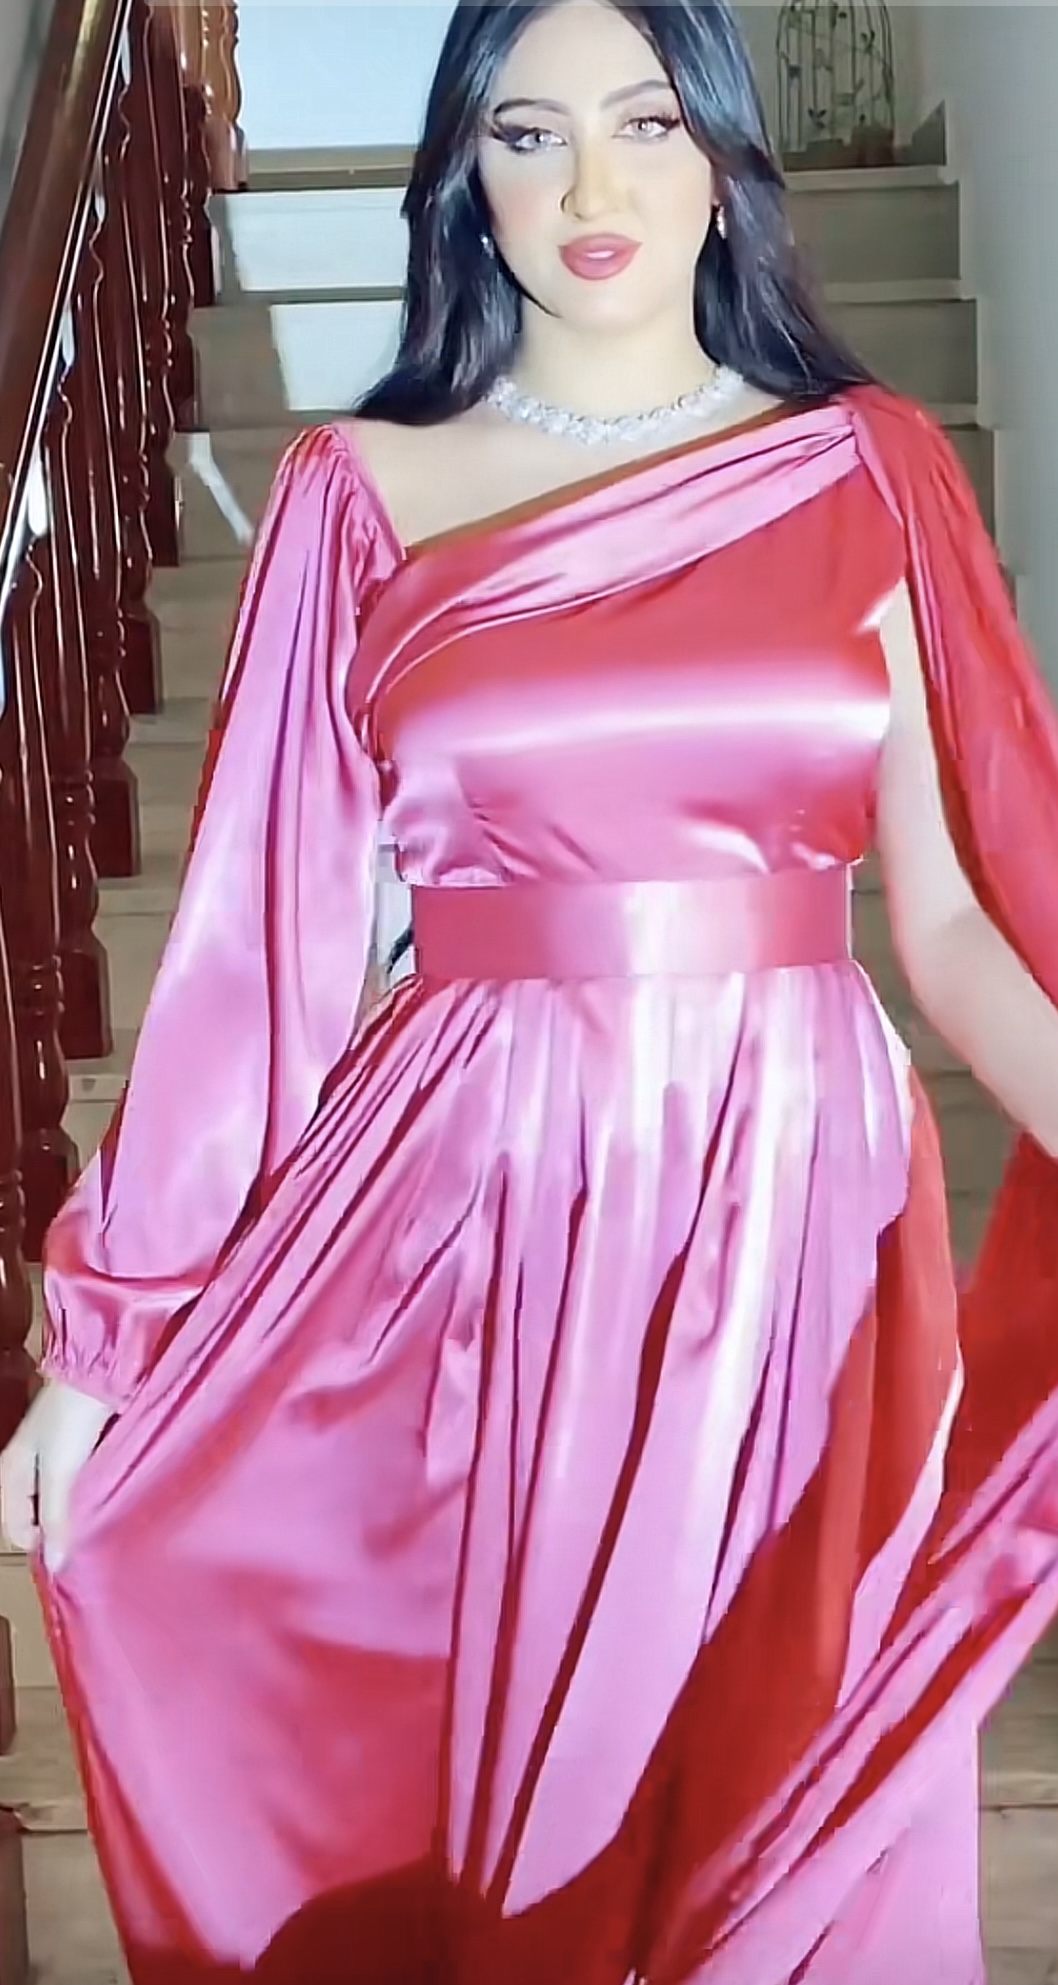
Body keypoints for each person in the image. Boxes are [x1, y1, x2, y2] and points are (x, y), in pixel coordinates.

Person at [5, 1, 1058, 1979]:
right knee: (534, 1795)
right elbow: (261, 954)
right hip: (472, 1198)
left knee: (780, 1742)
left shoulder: (868, 468)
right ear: (462, 180)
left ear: (722, 160)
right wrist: (104, 1342)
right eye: (525, 131)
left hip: (797, 1198)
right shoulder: (357, 492)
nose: (589, 181)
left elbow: (944, 926)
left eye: (646, 122)